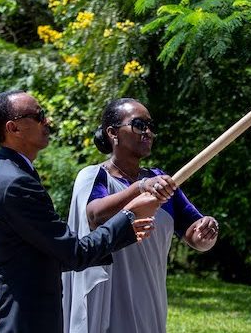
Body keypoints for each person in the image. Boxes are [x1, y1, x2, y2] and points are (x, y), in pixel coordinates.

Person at [0, 90, 158, 333]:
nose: (47, 121)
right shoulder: (15, 183)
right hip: (18, 319)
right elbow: (73, 253)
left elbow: (52, 253)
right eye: (38, 116)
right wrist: (127, 216)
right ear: (13, 128)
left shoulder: (5, 172)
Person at [62, 98, 219, 333]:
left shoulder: (161, 181)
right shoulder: (95, 176)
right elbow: (94, 216)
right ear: (113, 133)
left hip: (150, 296)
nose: (148, 132)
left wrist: (206, 230)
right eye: (139, 125)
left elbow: (192, 231)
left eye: (150, 126)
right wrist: (140, 187)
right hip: (108, 298)